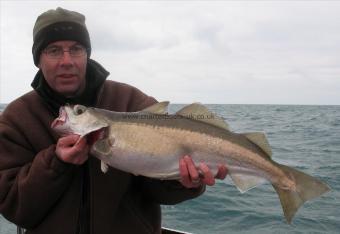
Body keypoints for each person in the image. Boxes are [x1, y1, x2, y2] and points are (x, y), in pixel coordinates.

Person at [0, 7, 227, 234]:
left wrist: (182, 182)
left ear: (87, 55)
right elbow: (14, 206)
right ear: (38, 59)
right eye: (54, 50)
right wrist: (56, 162)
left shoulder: (134, 103)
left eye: (76, 49)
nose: (66, 61)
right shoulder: (16, 119)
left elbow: (157, 192)